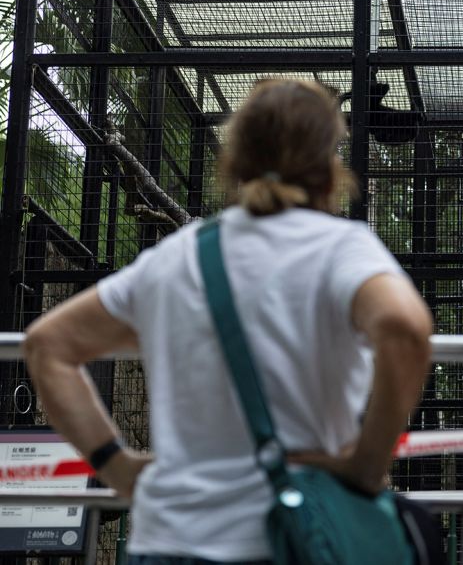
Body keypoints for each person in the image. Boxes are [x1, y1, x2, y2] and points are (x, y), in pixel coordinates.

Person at [25, 79, 433, 564]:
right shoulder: (341, 247)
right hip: (295, 537)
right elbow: (406, 330)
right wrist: (367, 464)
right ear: (330, 167)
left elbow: (47, 345)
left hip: (170, 539)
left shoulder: (174, 257)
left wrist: (117, 467)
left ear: (233, 162)